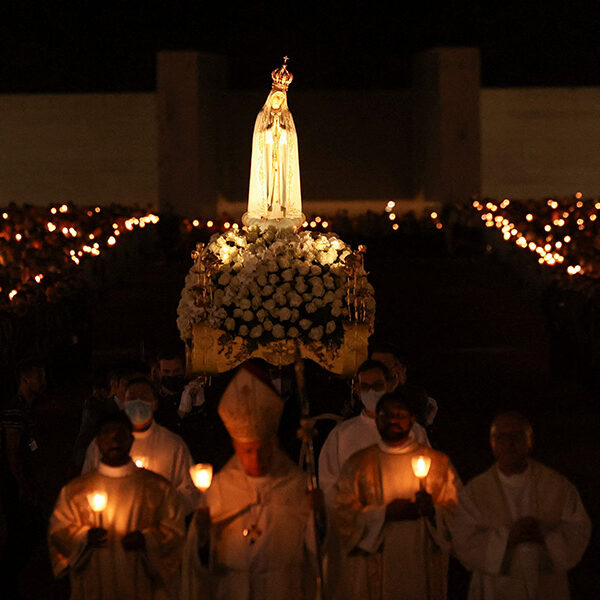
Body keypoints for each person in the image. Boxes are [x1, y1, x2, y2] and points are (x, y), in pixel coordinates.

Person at [182, 361, 319, 600]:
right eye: (247, 451)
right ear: (236, 448)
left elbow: (319, 554)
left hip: (284, 589)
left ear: (274, 445)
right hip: (232, 590)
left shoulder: (297, 486)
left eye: (262, 449)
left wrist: (319, 519)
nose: (256, 458)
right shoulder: (221, 489)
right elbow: (199, 565)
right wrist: (203, 538)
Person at [332, 391, 460, 600]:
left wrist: (433, 512)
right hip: (376, 565)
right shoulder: (358, 465)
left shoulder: (438, 464)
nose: (393, 420)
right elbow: (342, 515)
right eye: (386, 415)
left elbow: (460, 512)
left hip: (421, 563)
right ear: (377, 420)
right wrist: (384, 514)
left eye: (399, 415)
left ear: (412, 420)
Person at [452, 411, 591, 600]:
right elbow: (463, 541)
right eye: (502, 437)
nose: (510, 444)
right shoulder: (475, 492)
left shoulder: (556, 486)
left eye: (517, 436)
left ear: (530, 440)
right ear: (492, 443)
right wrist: (506, 538)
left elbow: (579, 529)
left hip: (545, 582)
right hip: (495, 586)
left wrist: (545, 535)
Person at [48, 412, 186, 599]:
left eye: (120, 432)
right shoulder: (75, 491)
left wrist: (147, 540)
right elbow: (59, 532)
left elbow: (175, 531)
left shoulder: (158, 488)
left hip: (142, 584)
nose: (114, 438)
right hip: (95, 582)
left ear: (131, 439)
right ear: (97, 441)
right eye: (107, 432)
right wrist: (84, 538)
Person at [318, 359, 430, 505]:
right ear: (357, 390)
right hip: (359, 520)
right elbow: (328, 483)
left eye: (377, 386)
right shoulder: (341, 435)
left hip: (405, 517)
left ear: (389, 386)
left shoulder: (413, 431)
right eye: (365, 386)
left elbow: (429, 474)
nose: (371, 391)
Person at [82, 377, 199, 515]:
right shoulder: (103, 443)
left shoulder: (173, 445)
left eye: (144, 397)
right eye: (132, 397)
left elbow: (190, 492)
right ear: (124, 404)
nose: (137, 402)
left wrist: (161, 504)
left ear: (155, 403)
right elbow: (86, 485)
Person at [0, 360, 47, 597]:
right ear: (25, 378)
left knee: (29, 530)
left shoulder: (27, 409)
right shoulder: (15, 409)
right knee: (23, 531)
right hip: (14, 483)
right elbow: (11, 448)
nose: (43, 382)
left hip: (25, 479)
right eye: (39, 377)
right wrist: (21, 483)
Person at [243, 58, 304, 228]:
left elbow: (291, 139)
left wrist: (282, 131)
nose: (277, 102)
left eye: (280, 99)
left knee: (282, 185)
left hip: (282, 159)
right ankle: (265, 212)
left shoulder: (287, 117)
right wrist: (270, 130)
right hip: (268, 160)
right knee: (269, 186)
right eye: (275, 99)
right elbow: (258, 138)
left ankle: (282, 212)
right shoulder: (262, 117)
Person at [371, 342, 438, 428]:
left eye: (385, 364)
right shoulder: (365, 391)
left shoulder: (415, 395)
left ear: (398, 367)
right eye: (374, 364)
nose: (378, 369)